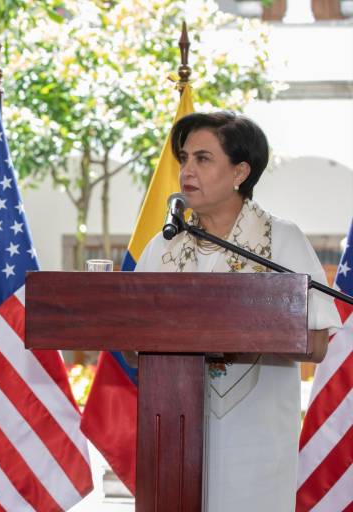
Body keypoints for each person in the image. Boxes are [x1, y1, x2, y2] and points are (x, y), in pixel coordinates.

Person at [134, 112, 341, 511]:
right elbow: (129, 340)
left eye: (203, 158)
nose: (186, 170)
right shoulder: (161, 248)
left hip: (254, 444)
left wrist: (235, 334)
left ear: (240, 171)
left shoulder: (282, 239)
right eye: (184, 158)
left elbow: (315, 344)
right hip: (175, 443)